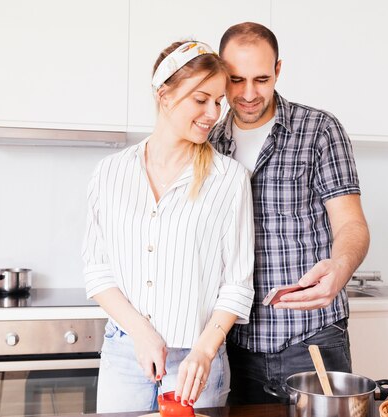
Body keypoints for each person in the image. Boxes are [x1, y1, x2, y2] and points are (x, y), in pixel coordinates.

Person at [82, 40, 255, 413]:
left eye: (218, 101)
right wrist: (140, 332)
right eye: (201, 99)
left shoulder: (229, 180)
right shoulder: (110, 173)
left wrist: (205, 351)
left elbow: (238, 285)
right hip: (124, 354)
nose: (213, 113)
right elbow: (97, 271)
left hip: (197, 363)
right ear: (165, 95)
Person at [208, 22, 370, 404]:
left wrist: (340, 270)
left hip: (311, 335)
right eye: (236, 80)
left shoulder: (319, 130)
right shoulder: (208, 141)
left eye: (262, 79)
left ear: (278, 70)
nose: (249, 94)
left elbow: (352, 224)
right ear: (220, 74)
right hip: (235, 339)